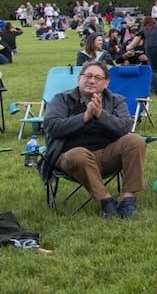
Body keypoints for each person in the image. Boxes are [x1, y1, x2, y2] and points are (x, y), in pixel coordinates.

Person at [40, 61, 147, 218]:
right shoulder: (61, 99)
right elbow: (52, 127)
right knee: (79, 154)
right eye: (88, 76)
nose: (92, 81)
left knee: (135, 141)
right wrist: (84, 117)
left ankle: (128, 199)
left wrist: (100, 115)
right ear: (79, 79)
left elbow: (125, 127)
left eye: (98, 77)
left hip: (107, 155)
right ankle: (106, 201)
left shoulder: (117, 100)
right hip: (70, 156)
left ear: (106, 83)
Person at [127, 16, 157, 96]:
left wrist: (127, 48)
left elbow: (131, 46)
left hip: (153, 47)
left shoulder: (144, 29)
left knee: (155, 70)